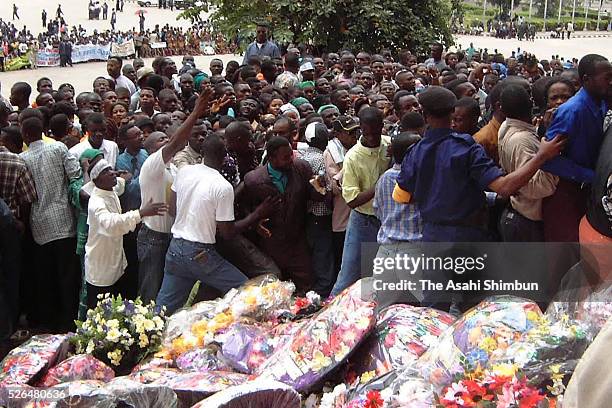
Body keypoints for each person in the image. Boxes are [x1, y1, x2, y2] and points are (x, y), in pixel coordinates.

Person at [393, 86, 566, 243]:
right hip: (468, 236)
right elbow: (503, 188)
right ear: (453, 112)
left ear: (424, 115)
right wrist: (542, 156)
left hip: (432, 236)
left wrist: (435, 196)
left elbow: (402, 198)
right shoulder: (465, 148)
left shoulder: (414, 152)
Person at [156, 134, 279, 314]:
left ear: (202, 152)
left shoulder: (184, 172)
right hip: (200, 253)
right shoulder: (222, 186)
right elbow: (227, 232)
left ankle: (146, 336)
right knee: (246, 291)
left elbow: (172, 210)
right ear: (225, 155)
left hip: (175, 247)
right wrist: (257, 214)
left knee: (163, 308)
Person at [138, 91, 210, 302]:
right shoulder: (151, 165)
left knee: (166, 292)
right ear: (151, 148)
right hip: (153, 237)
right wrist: (196, 111)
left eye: (166, 139)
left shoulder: (174, 169)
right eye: (161, 140)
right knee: (150, 289)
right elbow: (177, 143)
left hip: (170, 236)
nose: (166, 141)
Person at [20, 116, 82, 332]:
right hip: (64, 220)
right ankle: (70, 321)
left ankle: (50, 323)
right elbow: (75, 174)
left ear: (25, 135)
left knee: (46, 277)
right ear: (43, 130)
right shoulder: (58, 148)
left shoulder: (22, 158)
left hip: (39, 225)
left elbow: (26, 195)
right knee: (68, 276)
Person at [542, 54, 611, 242]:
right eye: (607, 78)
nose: (611, 82)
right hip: (569, 193)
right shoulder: (571, 111)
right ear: (587, 80)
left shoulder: (601, 102)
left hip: (587, 191)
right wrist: (590, 177)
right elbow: (548, 160)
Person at [241, 137, 321, 294]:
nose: (291, 160)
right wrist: (256, 222)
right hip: (271, 242)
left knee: (306, 284)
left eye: (291, 155)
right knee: (275, 288)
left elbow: (315, 195)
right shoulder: (254, 180)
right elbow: (244, 206)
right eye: (285, 157)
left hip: (297, 240)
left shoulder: (301, 168)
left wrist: (321, 188)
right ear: (271, 159)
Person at [85, 156, 167, 308]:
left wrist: (120, 175)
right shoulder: (96, 202)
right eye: (105, 172)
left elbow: (120, 185)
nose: (111, 173)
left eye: (111, 169)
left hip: (115, 261)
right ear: (96, 181)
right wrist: (140, 213)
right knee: (100, 311)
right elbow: (111, 223)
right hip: (101, 266)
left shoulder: (110, 189)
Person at [330, 107, 390, 296]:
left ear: (382, 127)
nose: (372, 137)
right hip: (363, 219)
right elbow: (353, 200)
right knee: (349, 273)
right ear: (360, 131)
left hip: (387, 220)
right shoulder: (353, 157)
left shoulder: (389, 145)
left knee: (385, 275)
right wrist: (382, 183)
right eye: (367, 133)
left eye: (376, 132)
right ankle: (330, 309)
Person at [497, 85, 558, 242]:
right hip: (526, 222)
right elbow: (537, 187)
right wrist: (550, 152)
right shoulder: (522, 140)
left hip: (518, 215)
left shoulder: (505, 126)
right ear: (531, 103)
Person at [373, 131, 423, 304]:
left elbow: (377, 210)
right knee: (434, 307)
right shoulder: (420, 179)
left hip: (385, 252)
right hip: (412, 253)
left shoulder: (384, 178)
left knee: (381, 309)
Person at [301, 122, 335, 297]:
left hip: (308, 214)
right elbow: (324, 188)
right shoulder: (319, 159)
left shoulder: (303, 156)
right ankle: (323, 289)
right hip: (320, 213)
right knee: (323, 253)